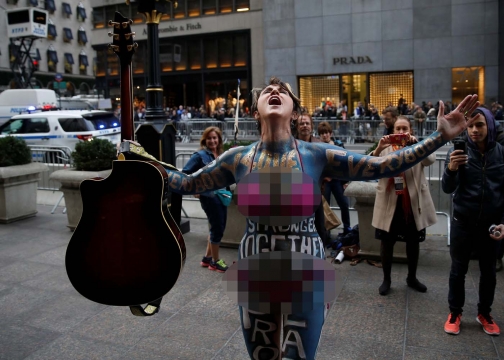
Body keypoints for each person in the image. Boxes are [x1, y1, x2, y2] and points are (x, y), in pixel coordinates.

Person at [123, 77, 480, 359]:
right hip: (255, 269)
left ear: (295, 111)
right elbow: (186, 183)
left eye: (283, 91)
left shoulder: (317, 154)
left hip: (307, 267)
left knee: (298, 356)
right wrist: (142, 161)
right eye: (268, 91)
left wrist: (439, 137)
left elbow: (381, 165)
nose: (275, 91)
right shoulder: (238, 158)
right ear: (255, 109)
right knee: (263, 355)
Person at [442, 107, 504, 337]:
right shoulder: (457, 153)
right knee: (458, 270)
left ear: (490, 126)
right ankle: (455, 313)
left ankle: (484, 313)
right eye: (470, 126)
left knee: (489, 272)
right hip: (463, 221)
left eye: (480, 125)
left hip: (492, 224)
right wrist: (451, 169)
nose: (475, 130)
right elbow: (448, 188)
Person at [370, 116, 437, 295]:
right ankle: (386, 279)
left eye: (404, 129)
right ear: (393, 132)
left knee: (413, 242)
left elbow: (431, 160)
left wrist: (418, 145)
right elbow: (370, 166)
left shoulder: (417, 147)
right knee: (386, 242)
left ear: (411, 131)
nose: (401, 132)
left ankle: (412, 277)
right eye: (398, 129)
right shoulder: (385, 147)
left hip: (413, 203)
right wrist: (379, 148)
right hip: (390, 201)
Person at [181, 126, 229, 273]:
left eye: (215, 138)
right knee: (217, 229)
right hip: (209, 197)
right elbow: (186, 174)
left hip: (222, 196)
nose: (212, 141)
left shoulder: (220, 154)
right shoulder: (199, 155)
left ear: (219, 139)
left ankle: (207, 258)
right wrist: (196, 189)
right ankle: (215, 262)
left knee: (217, 226)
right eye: (209, 138)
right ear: (205, 140)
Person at [295, 112, 329, 247]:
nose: (304, 126)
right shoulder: (290, 144)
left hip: (314, 193)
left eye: (307, 123)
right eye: (301, 124)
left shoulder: (319, 145)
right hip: (294, 195)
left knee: (320, 227)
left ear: (311, 126)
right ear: (297, 127)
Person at [317, 121, 352, 238]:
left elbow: (346, 163)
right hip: (325, 181)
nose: (324, 135)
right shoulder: (318, 147)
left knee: (344, 204)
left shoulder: (338, 144)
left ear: (330, 133)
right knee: (324, 207)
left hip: (337, 180)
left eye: (326, 133)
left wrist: (346, 182)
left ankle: (347, 228)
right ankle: (326, 231)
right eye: (322, 133)